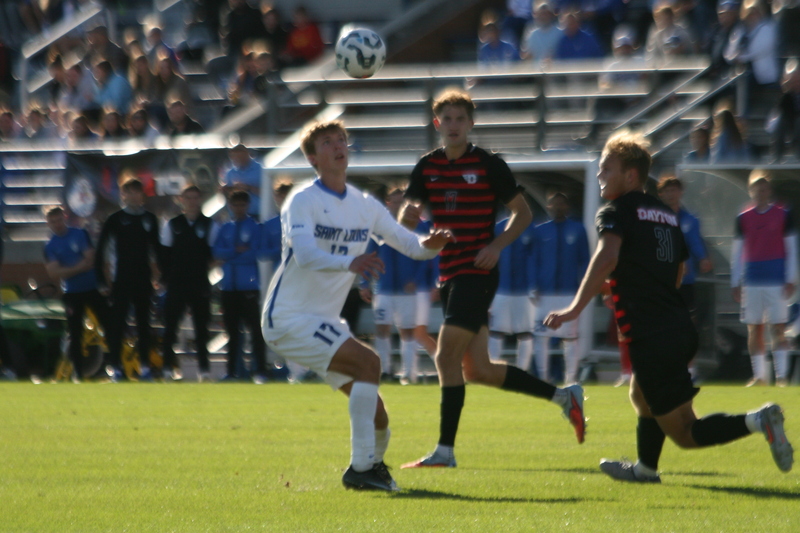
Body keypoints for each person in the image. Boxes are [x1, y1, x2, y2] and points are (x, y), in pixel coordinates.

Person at [544, 132, 793, 483]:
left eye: (606, 169)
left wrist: (574, 308)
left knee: (686, 433)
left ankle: (758, 420)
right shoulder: (664, 212)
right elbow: (677, 269)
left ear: (631, 175)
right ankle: (646, 469)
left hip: (652, 333)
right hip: (676, 323)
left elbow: (607, 256)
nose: (600, 175)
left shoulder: (616, 209)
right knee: (639, 392)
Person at [261, 120, 454, 491]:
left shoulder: (365, 205)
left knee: (379, 415)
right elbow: (303, 254)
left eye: (341, 140)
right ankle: (361, 470)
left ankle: (374, 465)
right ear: (313, 157)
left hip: (323, 321)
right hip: (288, 317)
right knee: (371, 362)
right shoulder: (303, 200)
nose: (338, 146)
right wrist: (349, 263)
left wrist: (432, 242)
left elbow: (409, 245)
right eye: (328, 142)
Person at [399, 88, 586, 470]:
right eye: (446, 119)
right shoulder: (426, 167)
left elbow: (522, 214)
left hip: (478, 271)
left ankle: (445, 451)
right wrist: (416, 226)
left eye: (460, 119)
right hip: (449, 273)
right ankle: (565, 397)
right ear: (437, 124)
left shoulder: (488, 164)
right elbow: (407, 217)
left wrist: (497, 246)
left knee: (445, 355)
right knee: (477, 369)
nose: (453, 125)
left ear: (471, 123)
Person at [731, 170, 797, 387]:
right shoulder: (743, 217)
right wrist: (735, 281)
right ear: (751, 190)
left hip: (776, 279)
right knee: (754, 328)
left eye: (764, 187)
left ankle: (781, 378)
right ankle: (759, 376)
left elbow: (791, 247)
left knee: (778, 327)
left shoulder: (782, 214)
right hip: (752, 280)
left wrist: (791, 278)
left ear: (769, 190)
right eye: (756, 187)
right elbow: (737, 250)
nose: (760, 191)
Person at [95, 178, 163, 380]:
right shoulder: (115, 219)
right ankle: (115, 366)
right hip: (121, 279)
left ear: (142, 195)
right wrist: (101, 280)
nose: (133, 196)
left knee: (144, 324)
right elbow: (102, 251)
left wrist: (161, 276)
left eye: (137, 192)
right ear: (122, 195)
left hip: (143, 279)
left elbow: (157, 251)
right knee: (117, 324)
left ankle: (145, 367)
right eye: (129, 192)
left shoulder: (150, 219)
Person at [359, 188, 425, 384]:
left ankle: (409, 373)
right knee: (382, 329)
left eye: (402, 202)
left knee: (407, 331)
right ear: (388, 203)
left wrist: (418, 280)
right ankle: (384, 371)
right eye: (395, 202)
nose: (398, 206)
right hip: (383, 288)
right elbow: (368, 256)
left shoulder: (418, 227)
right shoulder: (378, 226)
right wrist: (365, 282)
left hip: (408, 290)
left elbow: (426, 257)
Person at [530, 192, 590, 384]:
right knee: (541, 337)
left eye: (561, 204)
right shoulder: (540, 231)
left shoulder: (578, 230)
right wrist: (533, 286)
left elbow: (586, 261)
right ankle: (543, 377)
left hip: (569, 293)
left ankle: (571, 379)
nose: (558, 207)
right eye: (554, 204)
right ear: (548, 206)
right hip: (544, 293)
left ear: (567, 206)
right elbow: (533, 260)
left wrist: (584, 287)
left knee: (570, 338)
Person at [161, 185, 218, 382]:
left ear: (200, 200)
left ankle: (204, 370)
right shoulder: (173, 224)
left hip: (200, 283)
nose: (192, 201)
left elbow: (214, 254)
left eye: (195, 197)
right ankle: (167, 368)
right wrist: (164, 279)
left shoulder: (209, 224)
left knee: (202, 329)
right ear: (181, 200)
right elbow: (165, 254)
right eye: (188, 198)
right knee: (171, 327)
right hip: (177, 283)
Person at [44, 207, 109, 382]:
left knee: (109, 325)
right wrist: (78, 268)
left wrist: (68, 270)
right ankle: (78, 373)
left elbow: (90, 259)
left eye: (59, 220)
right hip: (72, 293)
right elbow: (54, 272)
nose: (57, 224)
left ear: (64, 218)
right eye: (53, 221)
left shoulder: (80, 234)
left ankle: (114, 366)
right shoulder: (50, 246)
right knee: (75, 333)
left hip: (91, 288)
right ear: (48, 223)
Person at [213, 190, 268, 383]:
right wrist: (234, 251)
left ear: (248, 205)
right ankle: (233, 371)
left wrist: (230, 256)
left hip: (249, 287)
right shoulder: (225, 227)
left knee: (255, 331)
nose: (238, 208)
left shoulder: (254, 226)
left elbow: (254, 253)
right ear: (230, 205)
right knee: (232, 332)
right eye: (235, 205)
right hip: (229, 288)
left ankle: (259, 370)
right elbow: (216, 251)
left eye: (242, 205)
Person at [656, 175, 713, 317]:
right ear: (661, 194)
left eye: (674, 190)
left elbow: (695, 241)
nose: (671, 194)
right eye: (667, 191)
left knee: (687, 316)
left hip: (685, 278)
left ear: (681, 192)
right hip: (663, 278)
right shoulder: (654, 219)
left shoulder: (690, 219)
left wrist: (703, 258)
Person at [487, 215, 535, 372]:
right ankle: (493, 369)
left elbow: (537, 258)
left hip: (525, 290)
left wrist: (535, 285)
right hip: (502, 288)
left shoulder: (532, 228)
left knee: (525, 332)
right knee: (496, 331)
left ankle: (523, 371)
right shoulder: (498, 228)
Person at [223, 144, 263, 220]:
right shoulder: (230, 173)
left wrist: (248, 188)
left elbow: (267, 193)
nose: (237, 159)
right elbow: (227, 196)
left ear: (247, 154)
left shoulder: (260, 170)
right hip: (236, 216)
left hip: (256, 214)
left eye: (240, 157)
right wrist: (228, 189)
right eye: (234, 157)